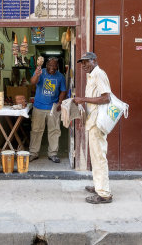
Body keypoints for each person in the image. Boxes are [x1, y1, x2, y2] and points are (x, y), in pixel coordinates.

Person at [74, 52, 113, 204]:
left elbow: (106, 98)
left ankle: (104, 194)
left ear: (95, 60)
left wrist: (82, 99)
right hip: (92, 121)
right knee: (96, 157)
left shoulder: (98, 74)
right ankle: (99, 186)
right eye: (82, 63)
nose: (83, 65)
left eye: (86, 62)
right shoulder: (92, 75)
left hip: (98, 122)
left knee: (99, 157)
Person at [29, 57, 66, 163]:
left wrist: (59, 102)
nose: (52, 68)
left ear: (57, 66)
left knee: (54, 131)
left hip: (53, 108)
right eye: (50, 65)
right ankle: (33, 153)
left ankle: (53, 154)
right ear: (46, 65)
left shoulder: (60, 76)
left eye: (55, 66)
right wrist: (36, 74)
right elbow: (32, 82)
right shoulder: (41, 72)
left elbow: (63, 90)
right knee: (36, 131)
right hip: (38, 107)